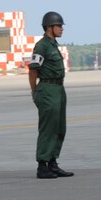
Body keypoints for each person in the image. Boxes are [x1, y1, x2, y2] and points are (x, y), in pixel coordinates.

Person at [29, 11, 74, 179]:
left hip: (58, 89)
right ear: (49, 27)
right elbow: (33, 69)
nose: (62, 29)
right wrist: (35, 91)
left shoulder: (53, 45)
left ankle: (52, 162)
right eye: (59, 26)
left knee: (59, 127)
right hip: (47, 88)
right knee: (48, 128)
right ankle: (42, 165)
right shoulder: (42, 46)